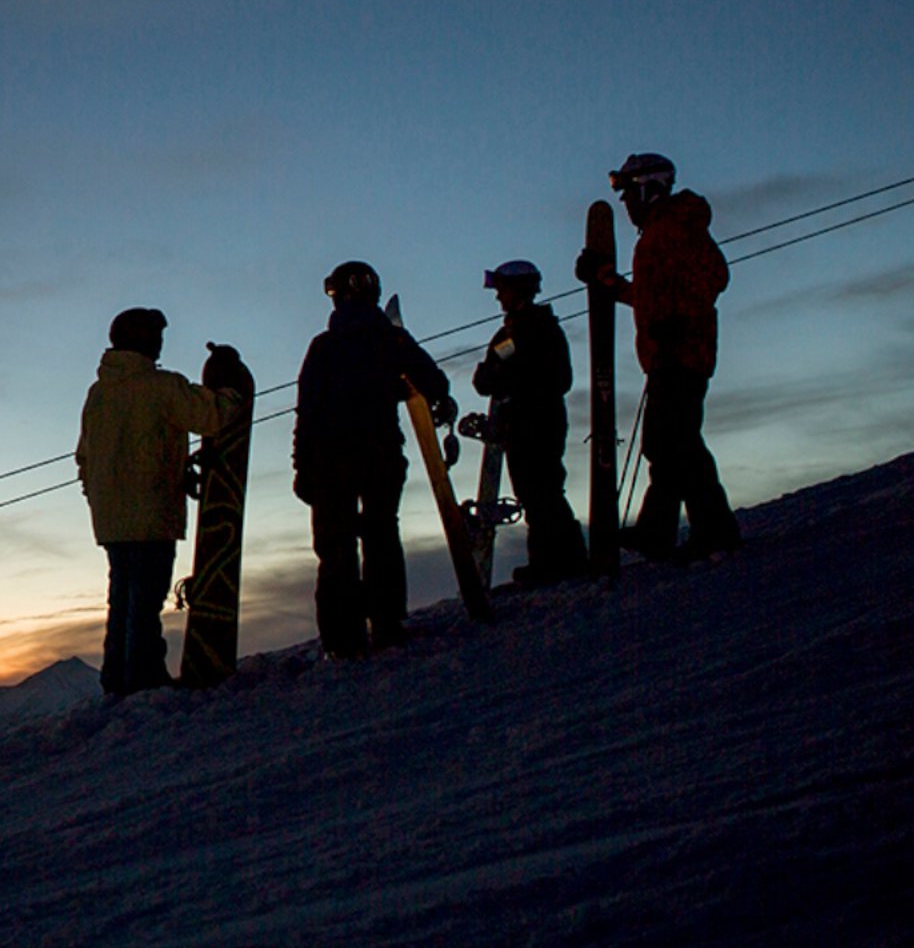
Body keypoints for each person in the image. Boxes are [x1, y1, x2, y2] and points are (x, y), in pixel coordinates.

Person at [577, 152, 742, 560]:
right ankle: (663, 530)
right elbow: (652, 297)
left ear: (649, 188)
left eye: (630, 194)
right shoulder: (656, 234)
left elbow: (714, 276)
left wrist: (678, 321)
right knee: (671, 443)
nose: (628, 206)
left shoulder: (673, 226)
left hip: (683, 353)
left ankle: (704, 531)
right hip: (670, 353)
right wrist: (609, 283)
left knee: (674, 443)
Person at [76, 308, 243, 696]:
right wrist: (232, 390)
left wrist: (99, 497)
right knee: (145, 602)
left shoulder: (98, 394)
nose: (161, 342)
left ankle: (117, 679)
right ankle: (144, 680)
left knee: (122, 601)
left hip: (111, 519)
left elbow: (84, 456)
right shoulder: (161, 386)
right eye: (156, 335)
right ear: (143, 340)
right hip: (151, 511)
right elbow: (211, 416)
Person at [293, 262, 453, 658]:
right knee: (381, 534)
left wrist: (302, 466)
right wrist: (433, 400)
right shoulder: (391, 339)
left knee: (335, 547)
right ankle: (386, 622)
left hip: (330, 462)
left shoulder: (324, 347)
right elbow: (433, 382)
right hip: (380, 453)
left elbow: (307, 411)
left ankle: (342, 637)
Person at [469, 260, 588, 585]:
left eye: (502, 290)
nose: (498, 298)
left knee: (544, 491)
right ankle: (550, 562)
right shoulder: (510, 333)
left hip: (540, 422)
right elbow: (488, 376)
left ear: (518, 289)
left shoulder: (542, 329)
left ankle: (565, 561)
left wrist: (509, 377)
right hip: (519, 426)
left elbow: (558, 378)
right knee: (533, 493)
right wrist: (494, 375)